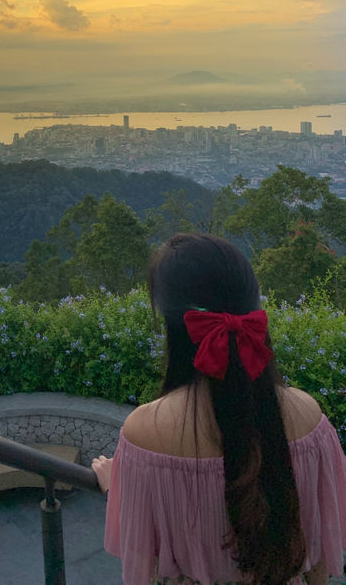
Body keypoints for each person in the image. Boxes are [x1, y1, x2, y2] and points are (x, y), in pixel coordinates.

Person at [91, 233, 346, 585]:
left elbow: (143, 563)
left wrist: (116, 487)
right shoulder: (309, 418)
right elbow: (316, 553)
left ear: (171, 322)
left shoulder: (143, 433)